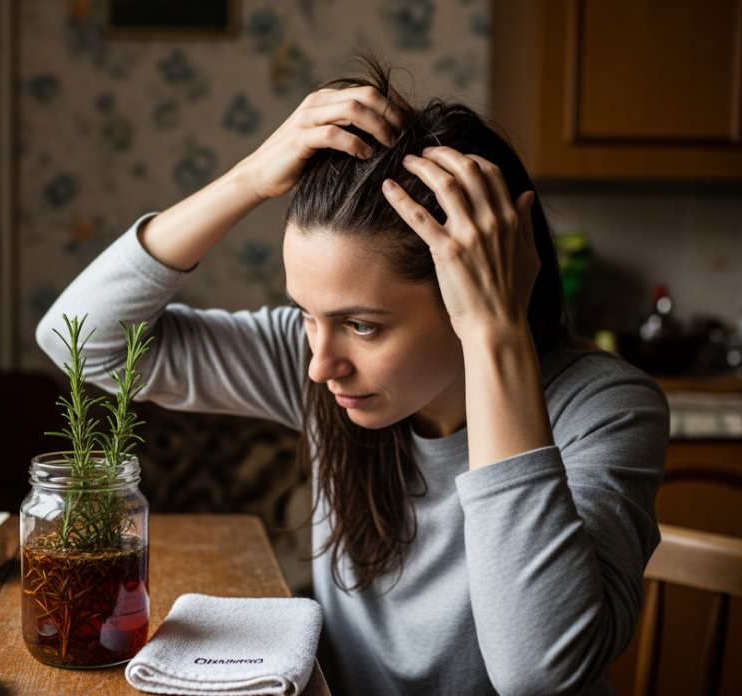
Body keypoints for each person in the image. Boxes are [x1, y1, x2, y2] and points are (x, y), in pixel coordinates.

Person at [36, 57, 668, 696]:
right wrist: (251, 178)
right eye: (307, 315)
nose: (319, 363)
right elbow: (81, 339)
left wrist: (495, 332)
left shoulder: (606, 409)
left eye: (363, 325)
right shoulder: (319, 371)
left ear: (481, 287)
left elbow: (539, 677)